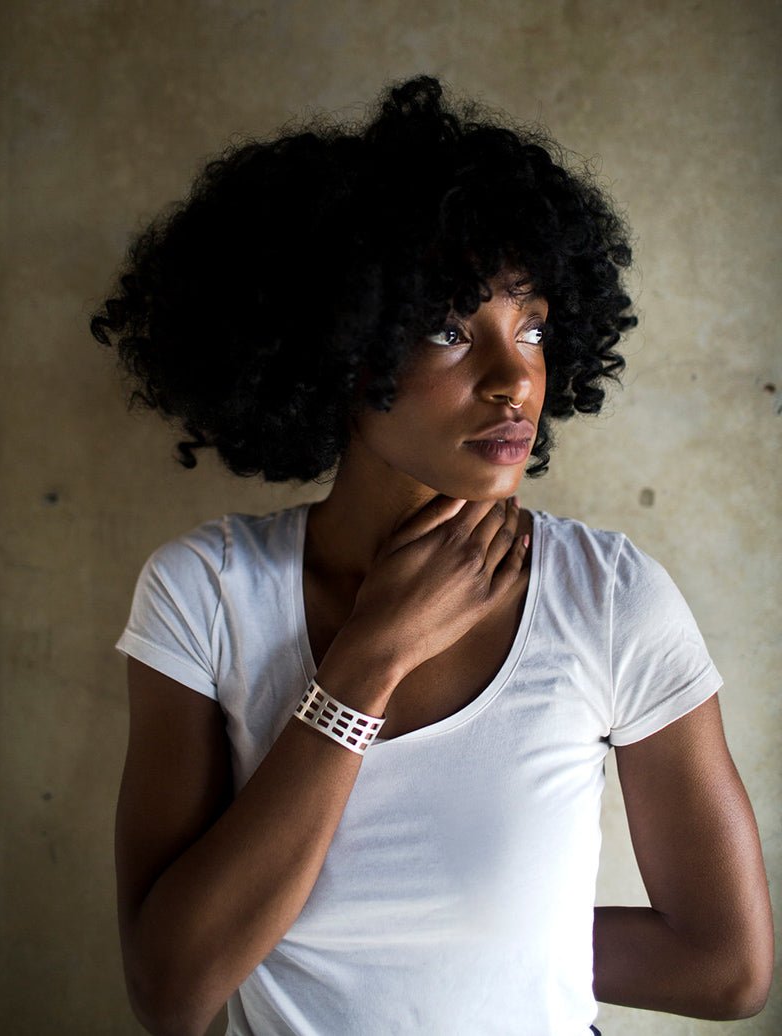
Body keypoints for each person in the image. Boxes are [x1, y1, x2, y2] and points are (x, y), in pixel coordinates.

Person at [91, 76, 773, 1036]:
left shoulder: (609, 596)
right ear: (338, 347)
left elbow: (726, 967)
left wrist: (489, 942)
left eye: (531, 325)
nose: (513, 379)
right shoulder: (205, 593)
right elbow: (170, 993)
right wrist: (369, 660)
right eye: (450, 329)